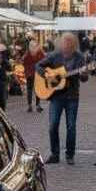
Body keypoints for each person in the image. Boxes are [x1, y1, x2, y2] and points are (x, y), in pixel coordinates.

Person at [36, 33, 89, 165]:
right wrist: (47, 75)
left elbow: (85, 78)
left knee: (71, 126)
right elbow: (38, 66)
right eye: (65, 42)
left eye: (70, 42)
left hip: (72, 96)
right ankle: (55, 153)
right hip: (56, 96)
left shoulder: (79, 57)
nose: (67, 44)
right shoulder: (55, 55)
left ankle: (70, 155)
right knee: (53, 125)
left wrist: (82, 74)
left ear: (74, 44)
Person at [22, 41, 46, 112]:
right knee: (37, 89)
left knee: (30, 89)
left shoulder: (27, 54)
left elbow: (23, 62)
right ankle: (37, 105)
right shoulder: (40, 53)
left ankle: (30, 106)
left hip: (31, 73)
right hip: (36, 73)